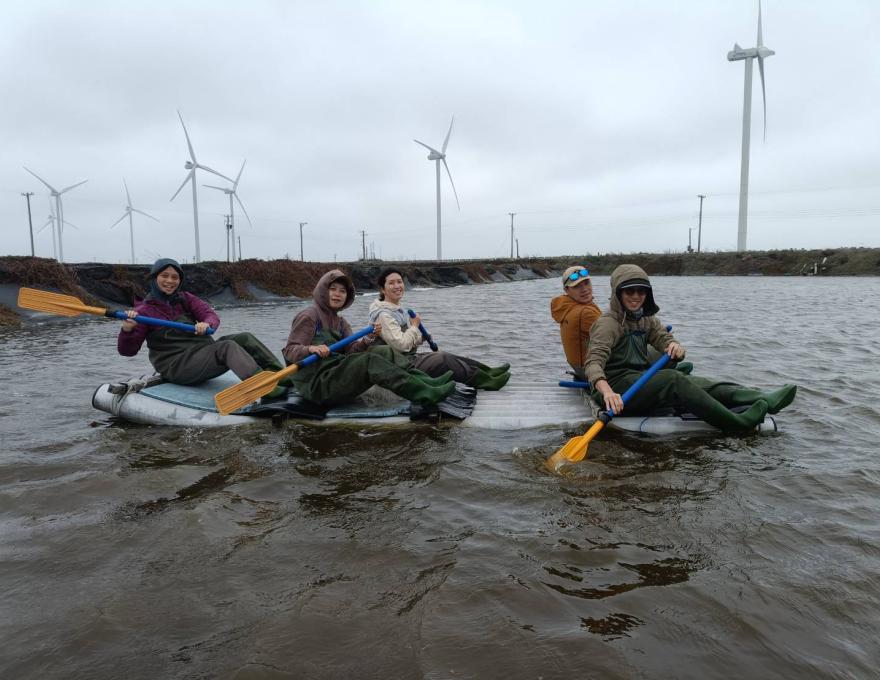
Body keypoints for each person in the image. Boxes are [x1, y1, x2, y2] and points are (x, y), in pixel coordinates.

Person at [584, 264, 797, 431]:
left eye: (641, 291)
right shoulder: (607, 324)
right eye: (630, 291)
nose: (636, 296)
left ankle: (762, 397)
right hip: (616, 390)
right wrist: (608, 392)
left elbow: (663, 337)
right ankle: (736, 423)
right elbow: (593, 363)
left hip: (637, 378)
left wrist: (675, 346)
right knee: (673, 379)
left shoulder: (645, 319)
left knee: (694, 381)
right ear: (618, 293)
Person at [282, 269, 457, 406]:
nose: (337, 294)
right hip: (317, 385)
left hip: (336, 374)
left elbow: (351, 352)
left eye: (342, 291)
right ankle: (424, 394)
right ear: (322, 291)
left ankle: (427, 383)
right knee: (369, 361)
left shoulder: (342, 323)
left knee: (383, 350)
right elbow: (290, 351)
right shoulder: (309, 316)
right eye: (332, 289)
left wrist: (368, 339)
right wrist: (310, 349)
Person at [117, 258, 287, 396]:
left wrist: (207, 324)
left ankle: (281, 376)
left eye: (175, 277)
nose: (170, 281)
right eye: (164, 276)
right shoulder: (143, 311)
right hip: (177, 366)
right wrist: (127, 329)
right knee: (226, 347)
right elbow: (127, 351)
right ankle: (263, 388)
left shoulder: (186, 298)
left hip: (201, 354)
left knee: (244, 338)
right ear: (154, 278)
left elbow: (210, 314)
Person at [367, 267, 511, 390]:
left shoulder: (396, 310)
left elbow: (405, 341)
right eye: (391, 283)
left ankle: (488, 371)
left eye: (399, 282)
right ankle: (486, 381)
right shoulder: (384, 315)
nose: (397, 286)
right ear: (382, 289)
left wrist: (420, 337)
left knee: (448, 355)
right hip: (397, 366)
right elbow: (401, 345)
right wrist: (415, 327)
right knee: (442, 359)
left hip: (405, 359)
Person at [550, 265, 602, 380]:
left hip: (579, 368)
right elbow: (616, 339)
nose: (584, 289)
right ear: (567, 290)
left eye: (586, 283)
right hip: (592, 370)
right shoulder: (585, 313)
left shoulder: (567, 306)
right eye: (577, 286)